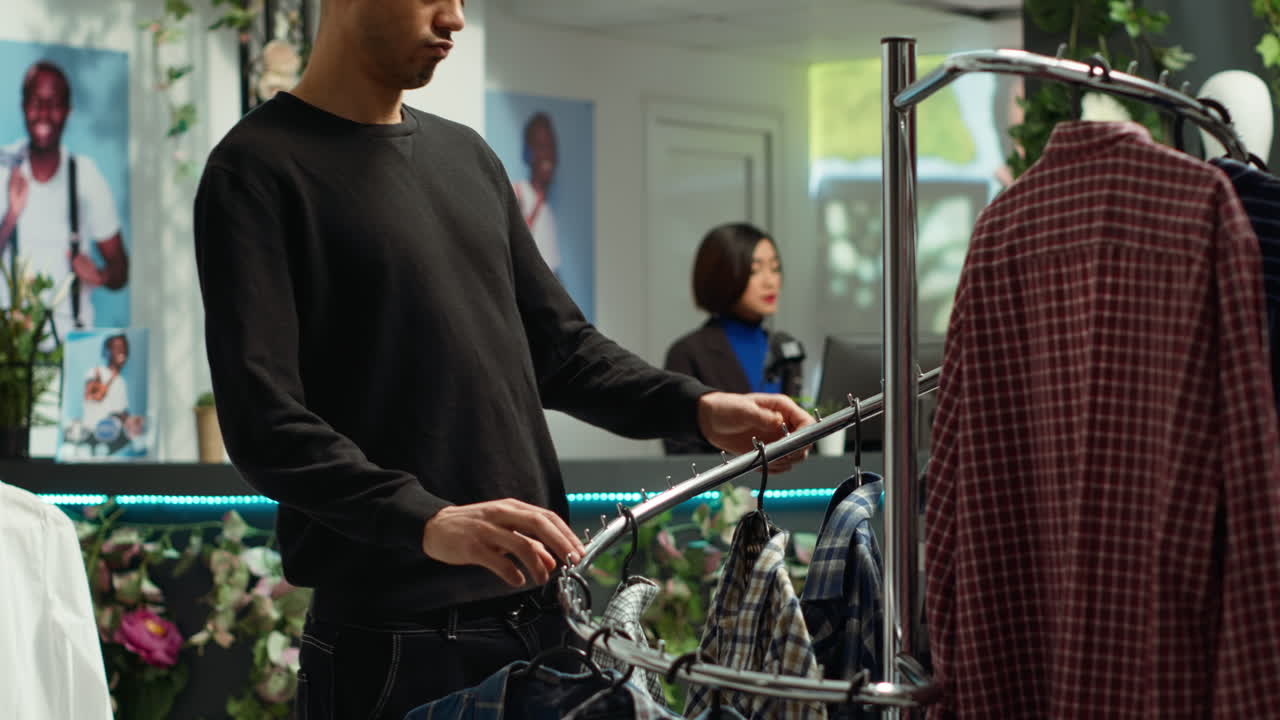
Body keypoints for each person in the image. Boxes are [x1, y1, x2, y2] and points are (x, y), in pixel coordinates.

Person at [191, 1, 813, 718]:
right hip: (395, 641)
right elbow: (264, 423)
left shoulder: (469, 158)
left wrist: (697, 407)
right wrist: (428, 521)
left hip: (547, 623)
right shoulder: (256, 170)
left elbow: (563, 350)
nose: (454, 17)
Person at [0, 60, 128, 333]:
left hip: (71, 350)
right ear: (23, 106)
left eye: (54, 103)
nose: (44, 113)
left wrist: (101, 275)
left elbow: (120, 271)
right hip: (9, 351)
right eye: (36, 102)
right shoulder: (3, 170)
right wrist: (10, 217)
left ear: (68, 111)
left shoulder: (86, 175)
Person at [664, 222, 806, 455]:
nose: (770, 282)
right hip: (723, 488)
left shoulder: (784, 348)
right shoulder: (688, 353)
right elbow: (681, 450)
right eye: (755, 271)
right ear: (722, 275)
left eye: (775, 268)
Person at [512, 111, 560, 274]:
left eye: (550, 146)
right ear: (528, 152)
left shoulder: (549, 211)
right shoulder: (518, 193)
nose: (547, 154)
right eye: (541, 146)